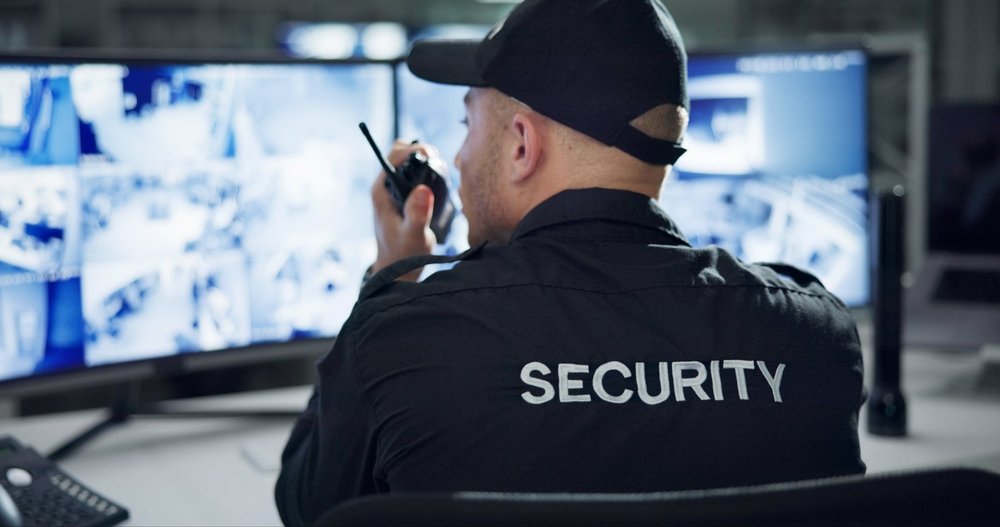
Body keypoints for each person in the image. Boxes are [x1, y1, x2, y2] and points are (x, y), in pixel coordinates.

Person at [275, 0, 866, 524]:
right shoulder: (815, 334)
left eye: (467, 125)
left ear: (522, 146)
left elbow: (308, 510)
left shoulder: (405, 337)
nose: (457, 156)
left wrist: (390, 277)